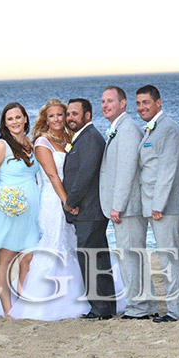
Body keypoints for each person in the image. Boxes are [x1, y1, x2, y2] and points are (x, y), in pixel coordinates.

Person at [4, 98, 91, 320]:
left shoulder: (69, 138)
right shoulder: (43, 142)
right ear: (46, 119)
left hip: (71, 196)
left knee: (70, 245)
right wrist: (66, 202)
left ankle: (75, 297)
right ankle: (42, 300)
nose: (56, 119)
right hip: (54, 201)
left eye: (60, 115)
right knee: (53, 245)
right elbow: (52, 176)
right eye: (51, 116)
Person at [136, 85, 179, 323]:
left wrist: (157, 205)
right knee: (170, 257)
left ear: (158, 103)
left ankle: (178, 311)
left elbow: (168, 171)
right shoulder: (152, 129)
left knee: (171, 258)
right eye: (138, 104)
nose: (141, 108)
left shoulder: (168, 128)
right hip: (154, 205)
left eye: (146, 103)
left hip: (166, 207)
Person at [99, 86, 156, 320]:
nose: (105, 105)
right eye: (103, 101)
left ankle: (138, 308)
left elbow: (126, 169)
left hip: (128, 207)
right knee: (133, 256)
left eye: (110, 101)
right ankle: (146, 305)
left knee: (131, 257)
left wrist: (118, 205)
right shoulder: (118, 128)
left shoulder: (128, 129)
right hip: (125, 206)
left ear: (123, 104)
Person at [0, 102, 41, 317]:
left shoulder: (31, 143)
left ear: (25, 119)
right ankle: (8, 309)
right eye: (10, 119)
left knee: (29, 258)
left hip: (32, 210)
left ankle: (25, 305)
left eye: (18, 117)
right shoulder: (1, 146)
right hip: (9, 210)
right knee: (6, 262)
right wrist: (3, 202)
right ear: (5, 124)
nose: (15, 122)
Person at [64, 97, 118, 319]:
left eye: (74, 114)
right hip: (88, 210)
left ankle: (99, 308)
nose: (70, 118)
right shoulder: (82, 138)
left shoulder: (91, 139)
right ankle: (105, 307)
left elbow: (85, 175)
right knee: (97, 257)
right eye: (68, 114)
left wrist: (71, 202)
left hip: (89, 210)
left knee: (91, 258)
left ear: (87, 115)